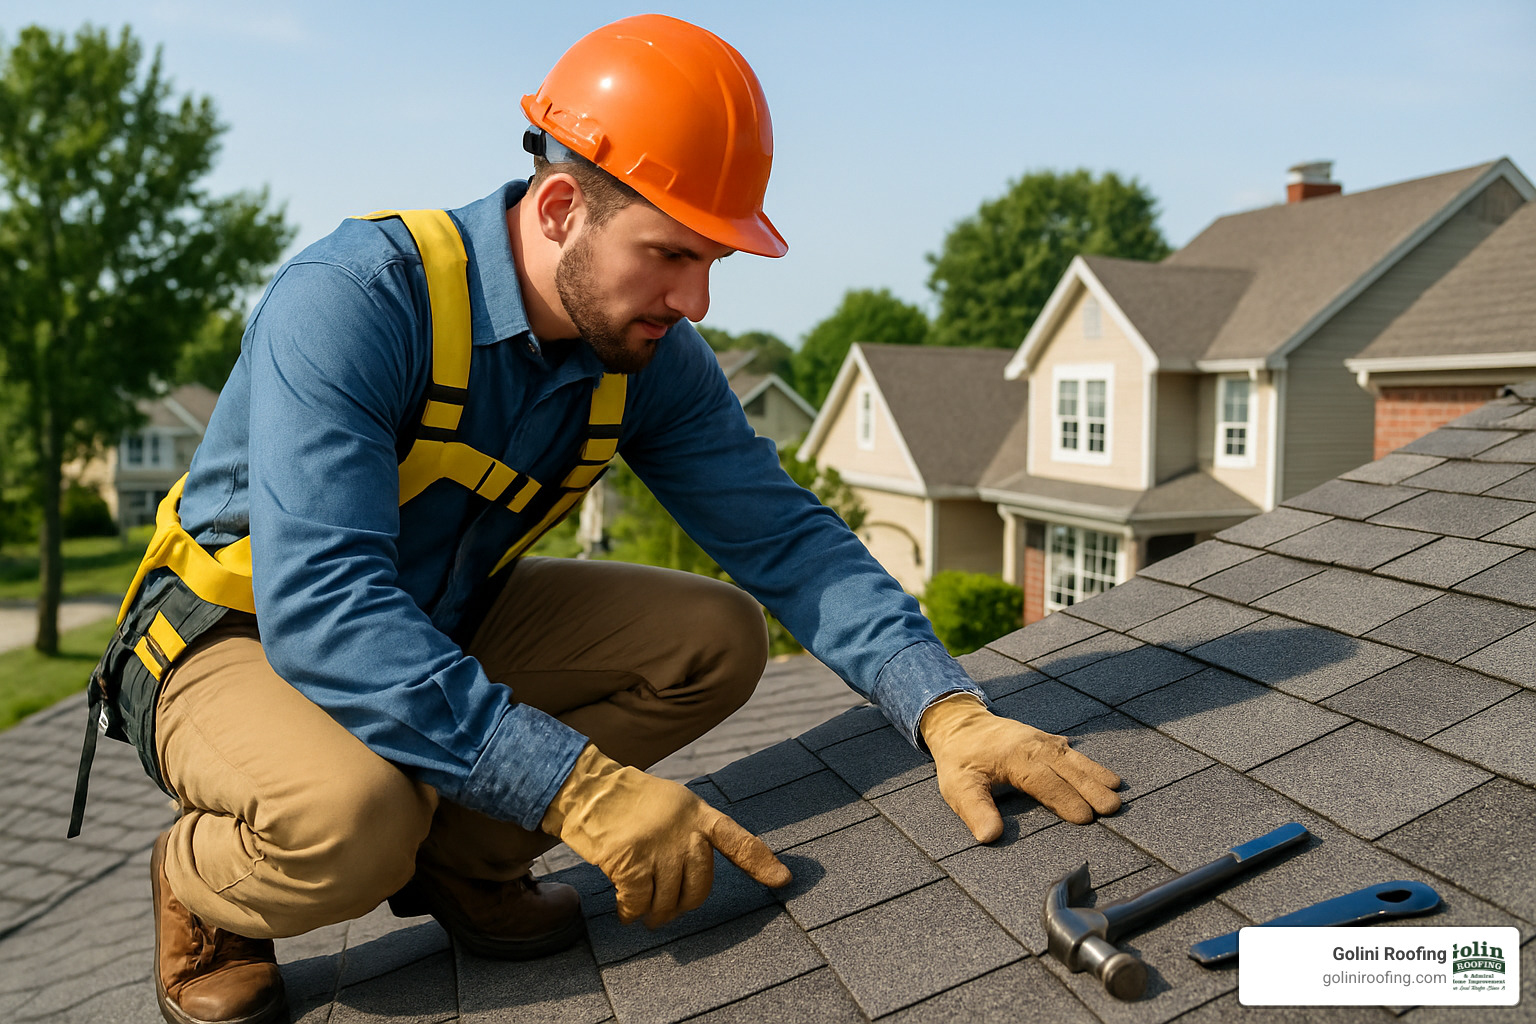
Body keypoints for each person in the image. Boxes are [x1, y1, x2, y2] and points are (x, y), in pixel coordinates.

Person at [77, 14, 1121, 1024]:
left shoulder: (647, 355)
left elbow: (787, 537)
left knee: (714, 640)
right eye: (672, 253)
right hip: (233, 633)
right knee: (354, 819)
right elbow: (325, 611)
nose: (699, 300)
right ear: (563, 206)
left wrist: (945, 709)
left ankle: (467, 855)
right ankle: (202, 884)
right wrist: (576, 789)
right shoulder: (356, 300)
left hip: (432, 616)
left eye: (714, 260)